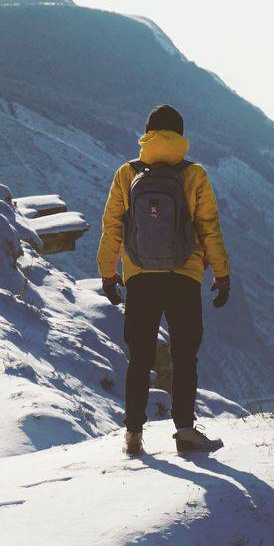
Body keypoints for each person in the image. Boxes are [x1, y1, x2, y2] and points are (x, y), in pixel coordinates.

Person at [97, 104, 231, 456]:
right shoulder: (194, 174)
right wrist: (221, 273)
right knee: (184, 355)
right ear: (180, 135)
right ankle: (185, 431)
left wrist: (108, 272)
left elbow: (112, 226)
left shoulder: (127, 173)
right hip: (184, 276)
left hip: (140, 276)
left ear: (148, 133)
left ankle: (133, 436)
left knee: (139, 357)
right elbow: (209, 227)